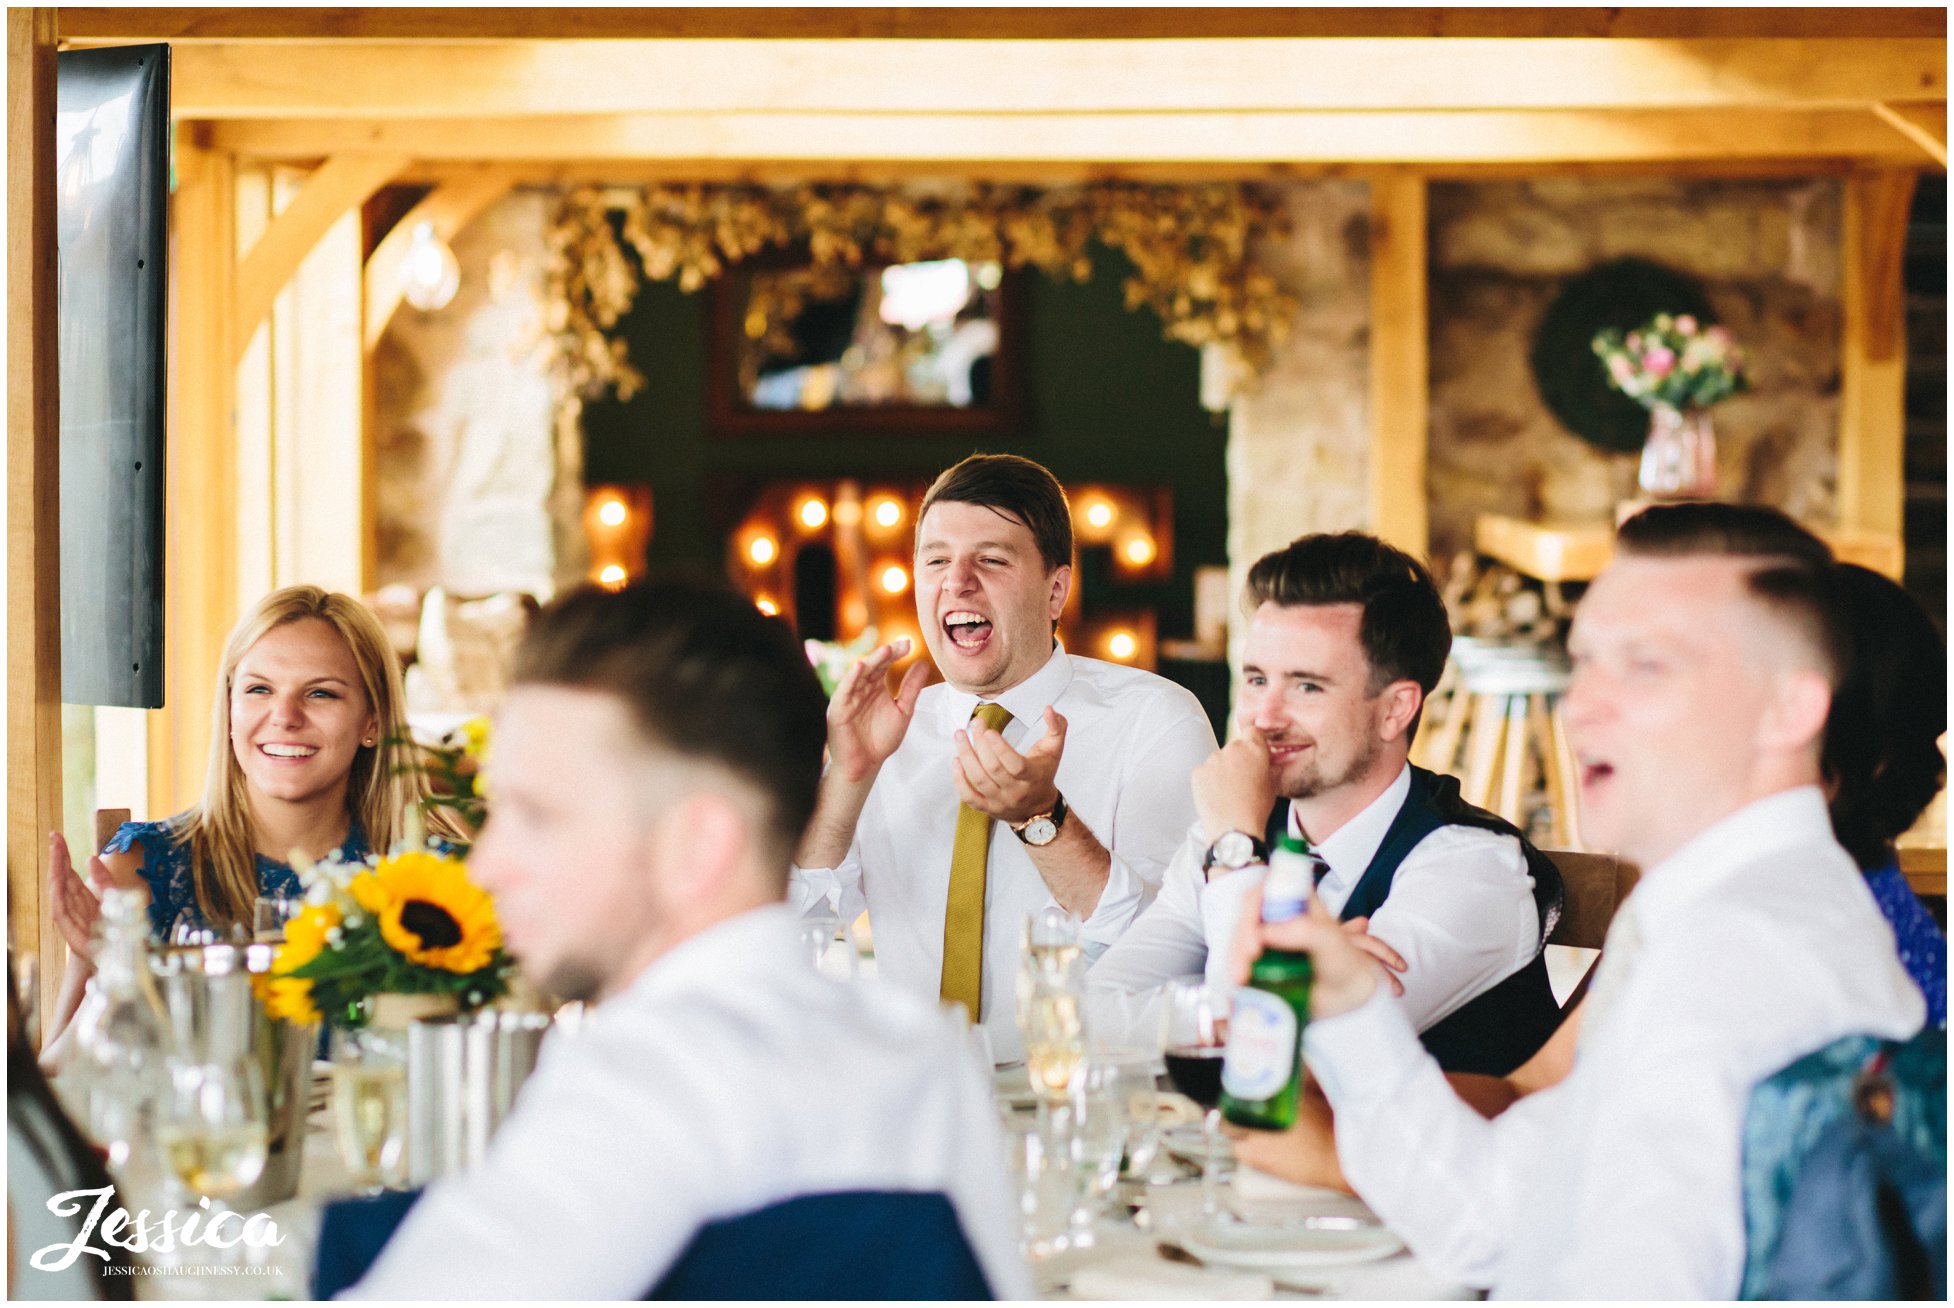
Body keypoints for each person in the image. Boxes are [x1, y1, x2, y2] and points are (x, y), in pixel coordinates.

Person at [1234, 503, 1924, 1297]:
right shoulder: (1712, 912)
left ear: (1791, 709)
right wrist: (1351, 1003)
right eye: (1586, 662)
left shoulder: (1748, 948)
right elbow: (1488, 1222)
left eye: (1647, 666)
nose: (1583, 706)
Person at [343, 580, 1031, 1299]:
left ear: (698, 846)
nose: (487, 864)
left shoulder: (630, 1084)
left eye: (537, 815)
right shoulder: (923, 1055)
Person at [790, 454, 1216, 1061]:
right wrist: (850, 779)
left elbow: (1172, 949)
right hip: (921, 1101)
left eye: (991, 559)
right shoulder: (886, 732)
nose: (957, 582)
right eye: (936, 559)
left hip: (1079, 1100)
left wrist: (1042, 818)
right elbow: (793, 927)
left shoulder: (1156, 720)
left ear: (1055, 591)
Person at [1089, 532, 1560, 1075]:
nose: (1264, 716)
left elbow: (1265, 1062)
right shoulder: (1226, 835)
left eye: (1306, 687)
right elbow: (1092, 1013)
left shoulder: (1473, 870)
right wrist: (1272, 995)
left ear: (1394, 709)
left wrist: (1237, 853)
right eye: (1257, 679)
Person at [42, 585, 440, 1053]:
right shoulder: (137, 873)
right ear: (230, 711)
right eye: (259, 689)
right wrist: (111, 970)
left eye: (320, 693)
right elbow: (56, 1087)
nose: (285, 716)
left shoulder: (438, 887)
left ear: (372, 720)